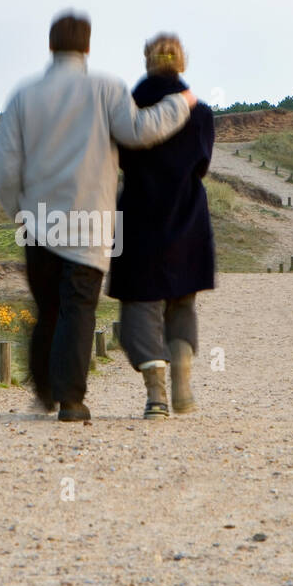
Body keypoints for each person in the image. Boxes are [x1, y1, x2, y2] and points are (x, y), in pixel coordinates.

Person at [0, 12, 197, 422]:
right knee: (78, 309)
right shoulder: (105, 88)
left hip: (38, 225)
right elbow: (138, 130)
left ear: (51, 45)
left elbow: (5, 166)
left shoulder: (23, 94)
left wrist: (19, 211)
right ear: (87, 47)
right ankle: (71, 401)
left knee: (47, 307)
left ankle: (45, 392)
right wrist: (180, 103)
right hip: (89, 224)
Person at [107, 34, 216, 419]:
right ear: (181, 62)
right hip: (187, 214)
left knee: (140, 304)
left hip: (138, 213)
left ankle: (156, 395)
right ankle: (182, 372)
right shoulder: (200, 113)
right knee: (182, 299)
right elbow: (201, 165)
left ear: (147, 61)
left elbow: (119, 155)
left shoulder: (130, 108)